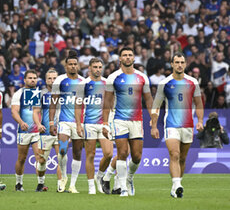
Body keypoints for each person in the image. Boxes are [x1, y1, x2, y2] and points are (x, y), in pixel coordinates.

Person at [151, 52, 204, 198]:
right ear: (172, 64)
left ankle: (175, 188)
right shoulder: (165, 83)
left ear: (185, 64)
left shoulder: (193, 82)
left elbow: (199, 103)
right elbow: (156, 105)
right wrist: (154, 126)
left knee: (182, 158)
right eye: (177, 62)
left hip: (188, 125)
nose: (179, 65)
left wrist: (200, 121)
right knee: (174, 154)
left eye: (182, 62)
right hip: (171, 125)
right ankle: (177, 185)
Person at [102, 47, 153, 197]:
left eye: (130, 55)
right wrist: (105, 123)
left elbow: (149, 99)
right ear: (120, 59)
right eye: (124, 55)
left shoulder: (142, 77)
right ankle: (123, 187)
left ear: (134, 58)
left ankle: (129, 178)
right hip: (119, 120)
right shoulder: (113, 77)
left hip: (137, 121)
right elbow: (107, 101)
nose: (128, 57)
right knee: (123, 153)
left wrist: (153, 118)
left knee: (137, 157)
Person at [75, 58, 113, 194]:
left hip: (104, 123)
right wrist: (78, 125)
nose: (98, 69)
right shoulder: (84, 84)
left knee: (108, 154)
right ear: (90, 68)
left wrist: (110, 121)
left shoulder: (107, 83)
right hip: (89, 124)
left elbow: (110, 103)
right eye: (95, 67)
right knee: (90, 155)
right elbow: (78, 105)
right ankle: (91, 186)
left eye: (100, 67)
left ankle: (99, 177)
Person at [49, 51, 84, 193]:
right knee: (62, 149)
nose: (73, 66)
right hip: (63, 121)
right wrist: (51, 122)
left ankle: (73, 185)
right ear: (66, 66)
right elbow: (53, 102)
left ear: (78, 66)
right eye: (70, 64)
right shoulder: (60, 81)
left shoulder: (83, 82)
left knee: (77, 153)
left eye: (75, 64)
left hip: (79, 122)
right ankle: (63, 177)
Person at [32, 69, 63, 192]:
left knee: (61, 158)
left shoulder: (64, 93)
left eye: (55, 78)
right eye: (50, 78)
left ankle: (61, 185)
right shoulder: (40, 94)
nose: (52, 80)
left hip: (62, 131)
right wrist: (38, 124)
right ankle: (40, 183)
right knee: (41, 160)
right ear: (45, 80)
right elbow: (35, 112)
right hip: (45, 132)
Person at [11, 69, 40, 191]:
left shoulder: (40, 93)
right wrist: (21, 122)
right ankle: (18, 183)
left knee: (40, 158)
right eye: (30, 78)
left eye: (34, 78)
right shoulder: (19, 93)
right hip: (24, 131)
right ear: (25, 80)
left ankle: (40, 184)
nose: (33, 80)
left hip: (37, 132)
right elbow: (14, 111)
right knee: (21, 158)